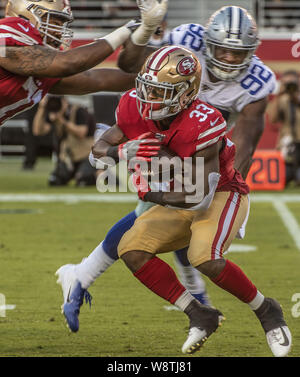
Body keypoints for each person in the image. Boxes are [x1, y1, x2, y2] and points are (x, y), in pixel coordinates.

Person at [56, 5, 276, 326]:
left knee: (179, 213)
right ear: (206, 43)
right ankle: (85, 277)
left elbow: (246, 139)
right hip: (165, 119)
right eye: (223, 50)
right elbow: (132, 68)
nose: (229, 59)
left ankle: (83, 276)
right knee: (156, 214)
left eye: (237, 52)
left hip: (200, 138)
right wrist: (145, 31)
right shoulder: (185, 44)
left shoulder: (257, 82)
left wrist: (222, 189)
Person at [0, 0, 168, 127]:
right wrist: (127, 30)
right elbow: (67, 63)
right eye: (55, 22)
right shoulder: (7, 34)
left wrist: (161, 73)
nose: (59, 33)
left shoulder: (39, 69)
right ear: (27, 15)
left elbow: (96, 79)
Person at [33, 95, 97, 186]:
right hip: (68, 158)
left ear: (65, 101)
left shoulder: (78, 110)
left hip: (86, 156)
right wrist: (41, 108)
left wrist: (61, 121)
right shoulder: (54, 113)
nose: (56, 105)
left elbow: (81, 133)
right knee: (54, 181)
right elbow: (37, 131)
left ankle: (99, 173)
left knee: (84, 180)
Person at [267, 70, 300, 186]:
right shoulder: (283, 99)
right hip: (288, 146)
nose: (290, 86)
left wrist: (296, 97)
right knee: (283, 178)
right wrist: (278, 95)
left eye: (292, 83)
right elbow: (273, 120)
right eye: (287, 83)